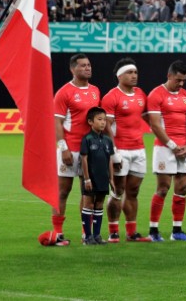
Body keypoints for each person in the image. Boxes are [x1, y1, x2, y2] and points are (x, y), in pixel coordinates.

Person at [100, 58, 151, 242]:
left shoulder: (140, 94)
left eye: (135, 72)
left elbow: (147, 118)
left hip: (139, 149)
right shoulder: (111, 97)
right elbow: (107, 127)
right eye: (130, 72)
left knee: (133, 191)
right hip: (120, 149)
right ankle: (113, 231)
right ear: (120, 75)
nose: (134, 76)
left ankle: (131, 232)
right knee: (117, 190)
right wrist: (113, 152)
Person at [51, 54, 100, 246]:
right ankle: (57, 233)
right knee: (63, 191)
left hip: (90, 148)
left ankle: (86, 234)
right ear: (73, 69)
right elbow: (57, 122)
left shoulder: (95, 90)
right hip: (70, 148)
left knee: (88, 193)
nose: (87, 68)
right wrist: (63, 148)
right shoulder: (64, 92)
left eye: (89, 65)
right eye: (82, 66)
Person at [147, 61, 186, 241]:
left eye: (184, 80)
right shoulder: (156, 94)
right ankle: (153, 231)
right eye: (178, 80)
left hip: (184, 148)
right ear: (169, 76)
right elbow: (155, 124)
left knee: (182, 188)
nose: (181, 84)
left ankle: (177, 231)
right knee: (163, 188)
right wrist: (173, 146)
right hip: (165, 148)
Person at [80, 107, 115, 246]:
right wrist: (87, 179)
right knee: (88, 204)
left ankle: (97, 235)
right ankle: (87, 236)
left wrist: (111, 179)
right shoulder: (87, 139)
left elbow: (110, 161)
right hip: (90, 178)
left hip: (103, 178)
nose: (103, 123)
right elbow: (84, 159)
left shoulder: (107, 140)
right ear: (90, 121)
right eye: (99, 119)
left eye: (104, 120)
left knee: (99, 205)